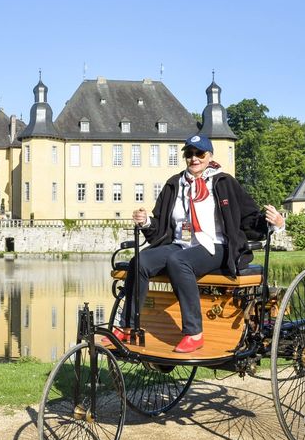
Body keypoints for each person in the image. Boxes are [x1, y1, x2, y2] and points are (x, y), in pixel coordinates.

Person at [111, 133, 285, 353]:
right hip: (181, 244)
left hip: (216, 246)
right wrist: (146, 221)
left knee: (178, 261)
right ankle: (128, 327)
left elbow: (249, 219)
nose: (194, 158)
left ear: (209, 155)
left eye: (199, 153)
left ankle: (194, 333)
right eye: (189, 154)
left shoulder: (224, 182)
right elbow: (160, 228)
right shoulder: (175, 184)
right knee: (141, 260)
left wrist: (275, 223)